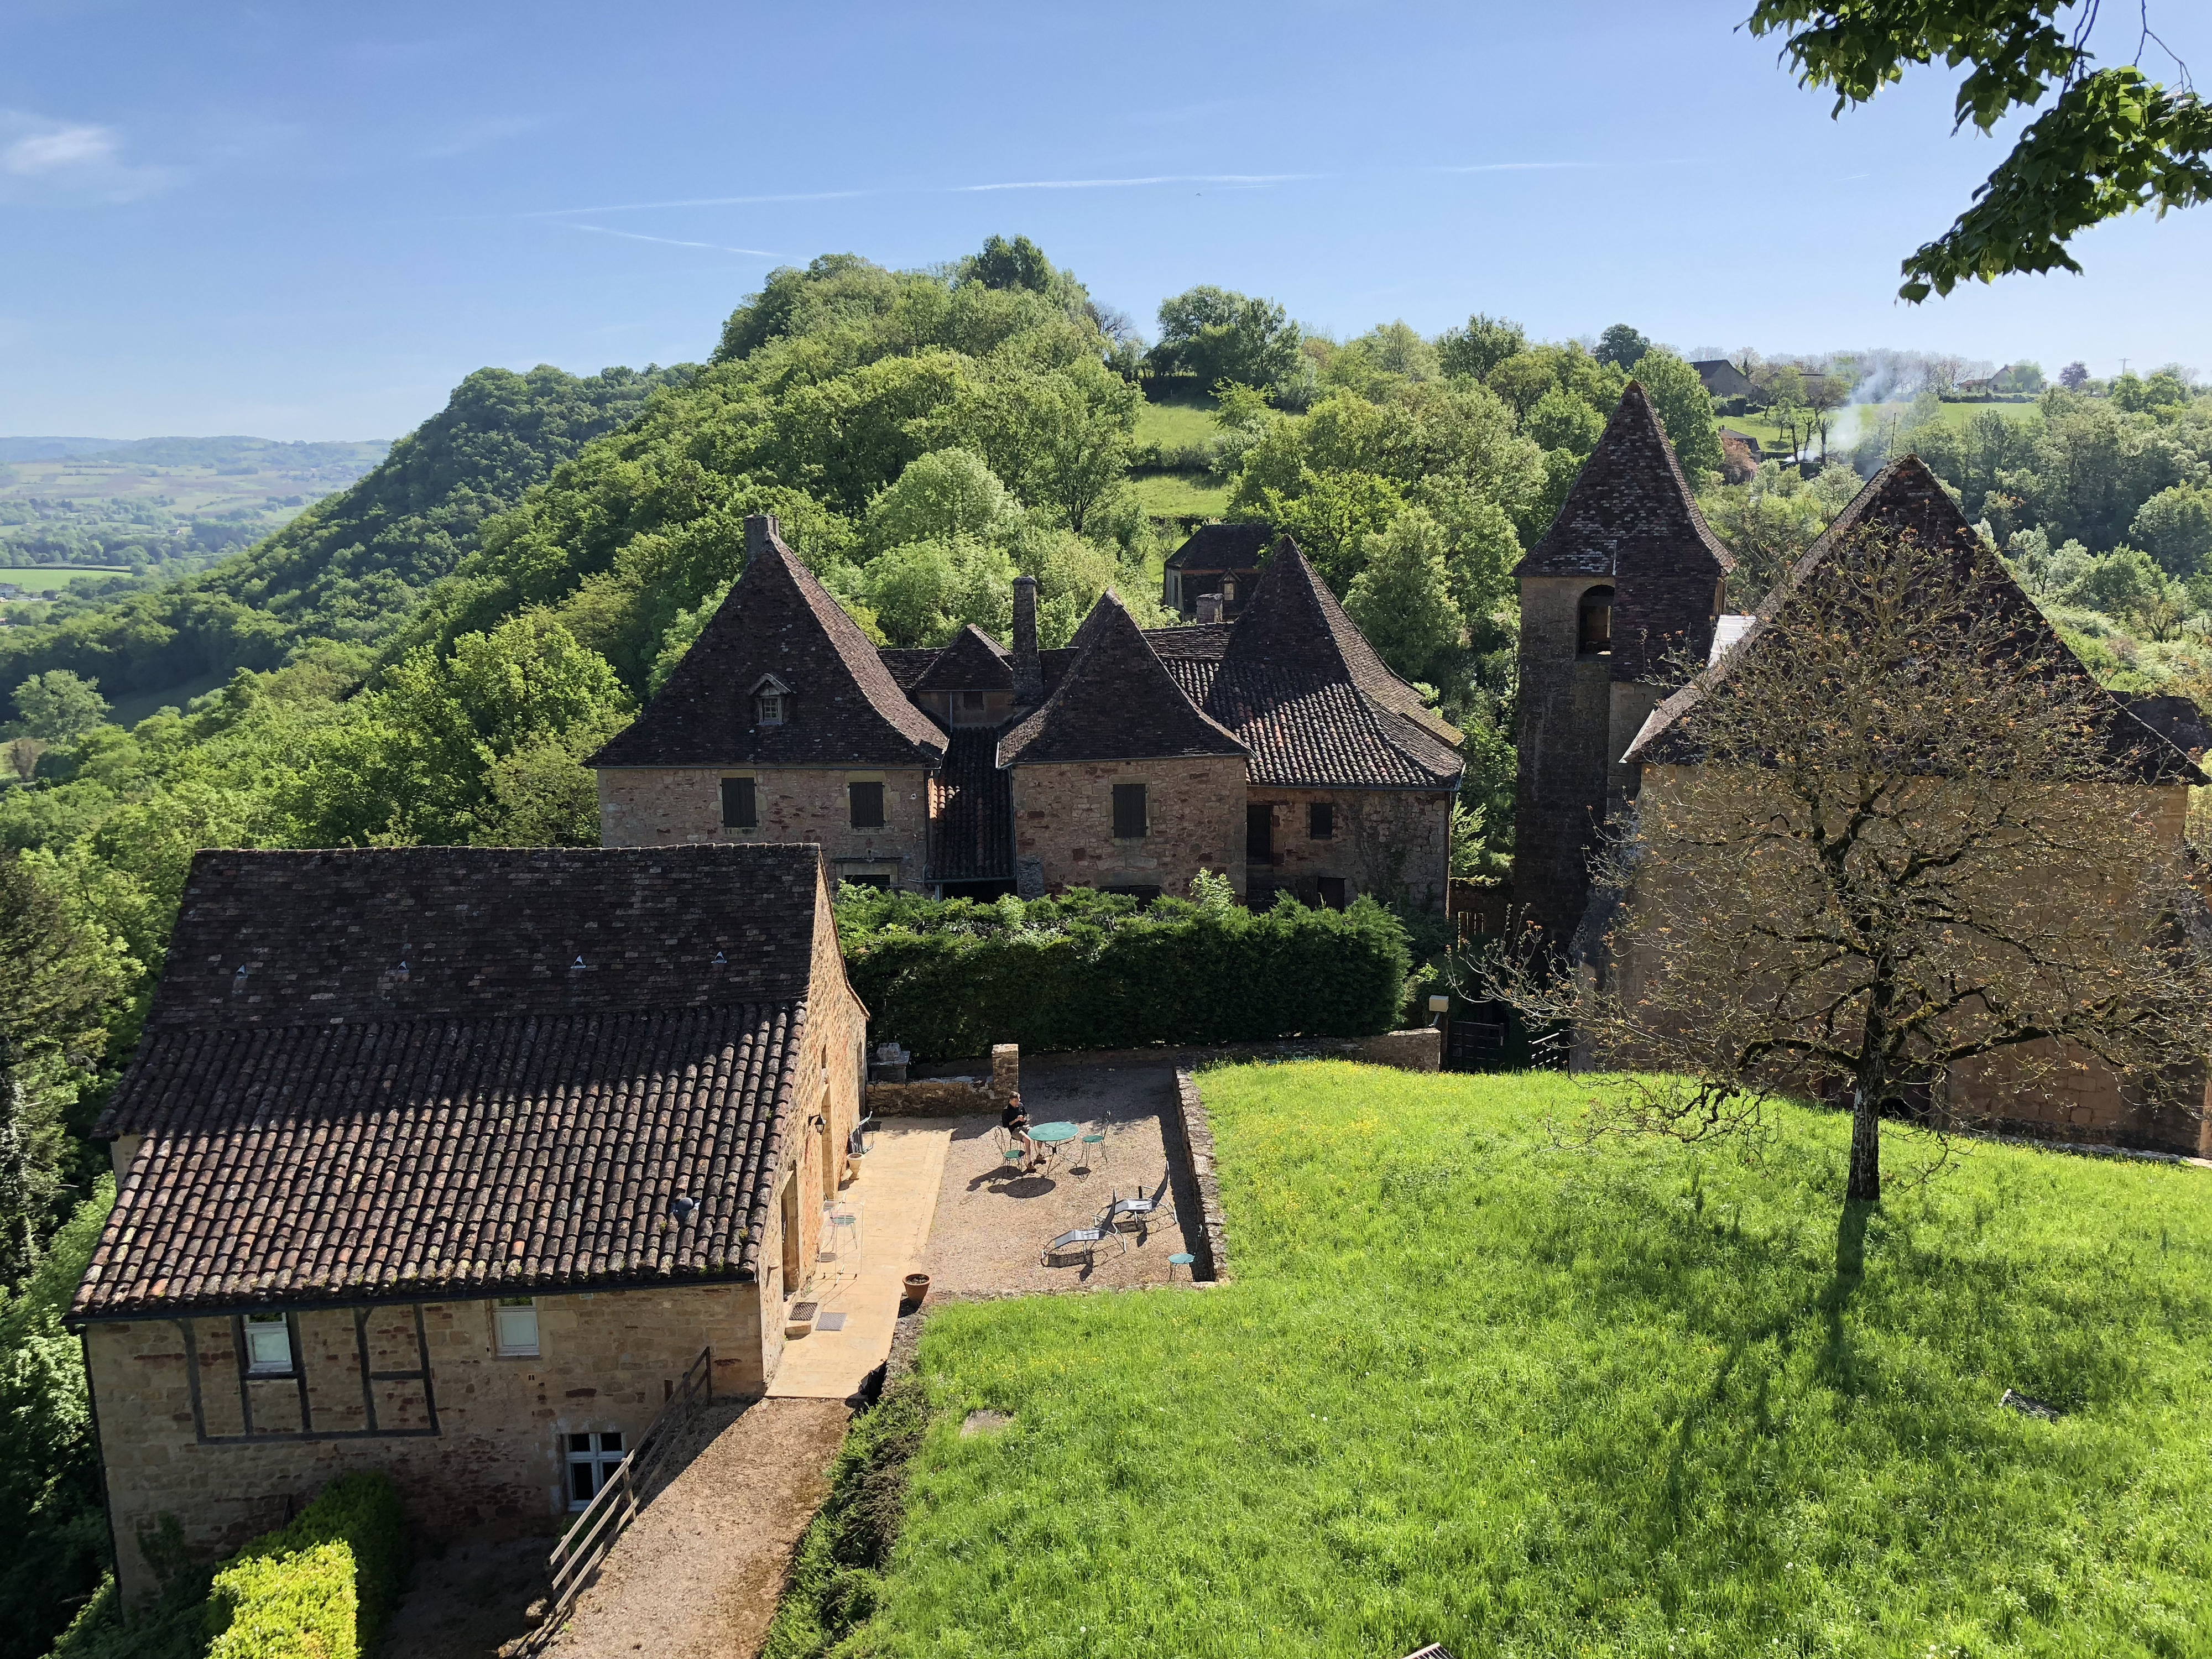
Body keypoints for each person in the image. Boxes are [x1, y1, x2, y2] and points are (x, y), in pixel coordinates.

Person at [1002, 1091, 1042, 1173]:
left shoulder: (1021, 1106)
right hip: (1015, 1131)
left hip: (1023, 1127)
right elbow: (1006, 1125)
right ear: (1011, 1101)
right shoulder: (1006, 1111)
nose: (1018, 1102)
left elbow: (1026, 1115)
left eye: (1018, 1100)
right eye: (1015, 1101)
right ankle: (1029, 1163)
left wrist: (1024, 1119)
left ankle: (1039, 1155)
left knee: (1039, 1135)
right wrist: (1016, 1120)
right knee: (1028, 1140)